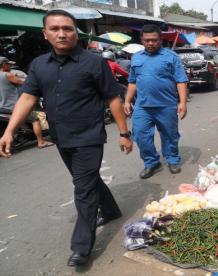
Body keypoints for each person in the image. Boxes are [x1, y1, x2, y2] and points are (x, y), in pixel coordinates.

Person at [0, 10, 133, 266]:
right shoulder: (39, 65)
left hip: (89, 136)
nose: (62, 33)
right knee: (86, 179)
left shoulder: (94, 63)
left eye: (68, 28)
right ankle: (111, 210)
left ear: (76, 33)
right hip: (62, 137)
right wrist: (9, 130)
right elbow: (27, 97)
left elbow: (112, 98)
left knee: (82, 190)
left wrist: (124, 133)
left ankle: (81, 248)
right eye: (55, 28)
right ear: (45, 34)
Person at [124, 24, 188, 179]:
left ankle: (172, 159)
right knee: (139, 134)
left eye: (154, 40)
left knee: (169, 135)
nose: (150, 43)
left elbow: (180, 81)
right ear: (142, 40)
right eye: (147, 40)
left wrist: (183, 103)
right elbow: (133, 81)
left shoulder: (171, 57)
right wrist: (127, 100)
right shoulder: (136, 57)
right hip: (142, 106)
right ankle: (151, 162)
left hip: (166, 104)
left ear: (160, 39)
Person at [0, 57, 53, 148]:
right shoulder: (7, 75)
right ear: (3, 65)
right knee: (35, 120)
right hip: (13, 105)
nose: (10, 66)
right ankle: (41, 142)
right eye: (8, 64)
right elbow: (27, 83)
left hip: (2, 107)